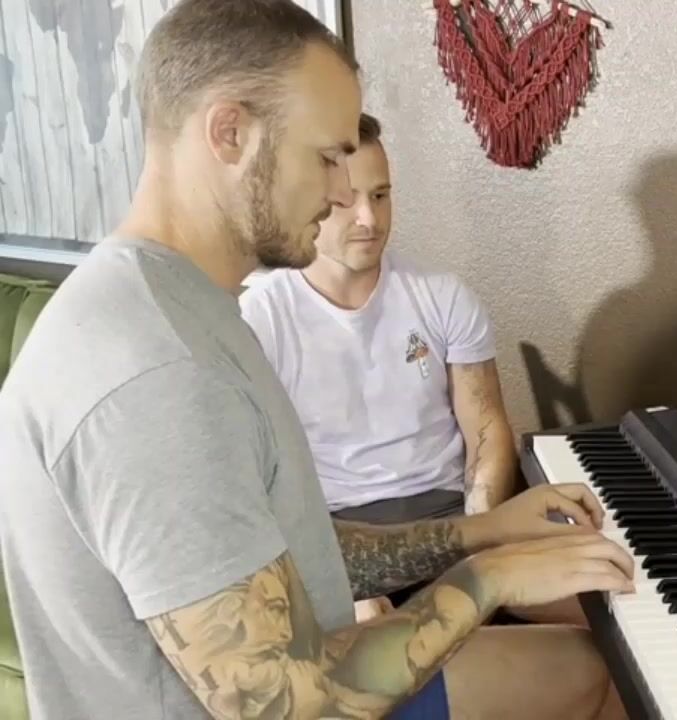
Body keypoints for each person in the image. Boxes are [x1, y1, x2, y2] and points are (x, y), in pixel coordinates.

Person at [0, 1, 631, 719]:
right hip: (305, 700)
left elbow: (284, 552)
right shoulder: (157, 373)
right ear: (230, 134)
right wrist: (489, 578)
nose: (341, 195)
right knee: (604, 674)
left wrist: (482, 532)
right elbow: (278, 703)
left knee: (593, 661)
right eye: (327, 157)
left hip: (312, 662)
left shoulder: (181, 307)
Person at [238, 112, 533, 617]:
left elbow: (486, 427)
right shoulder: (260, 318)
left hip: (446, 515)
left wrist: (481, 535)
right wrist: (342, 580)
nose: (370, 220)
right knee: (369, 623)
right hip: (336, 531)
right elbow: (255, 479)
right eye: (345, 201)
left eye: (380, 196)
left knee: (596, 602)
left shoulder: (443, 296)